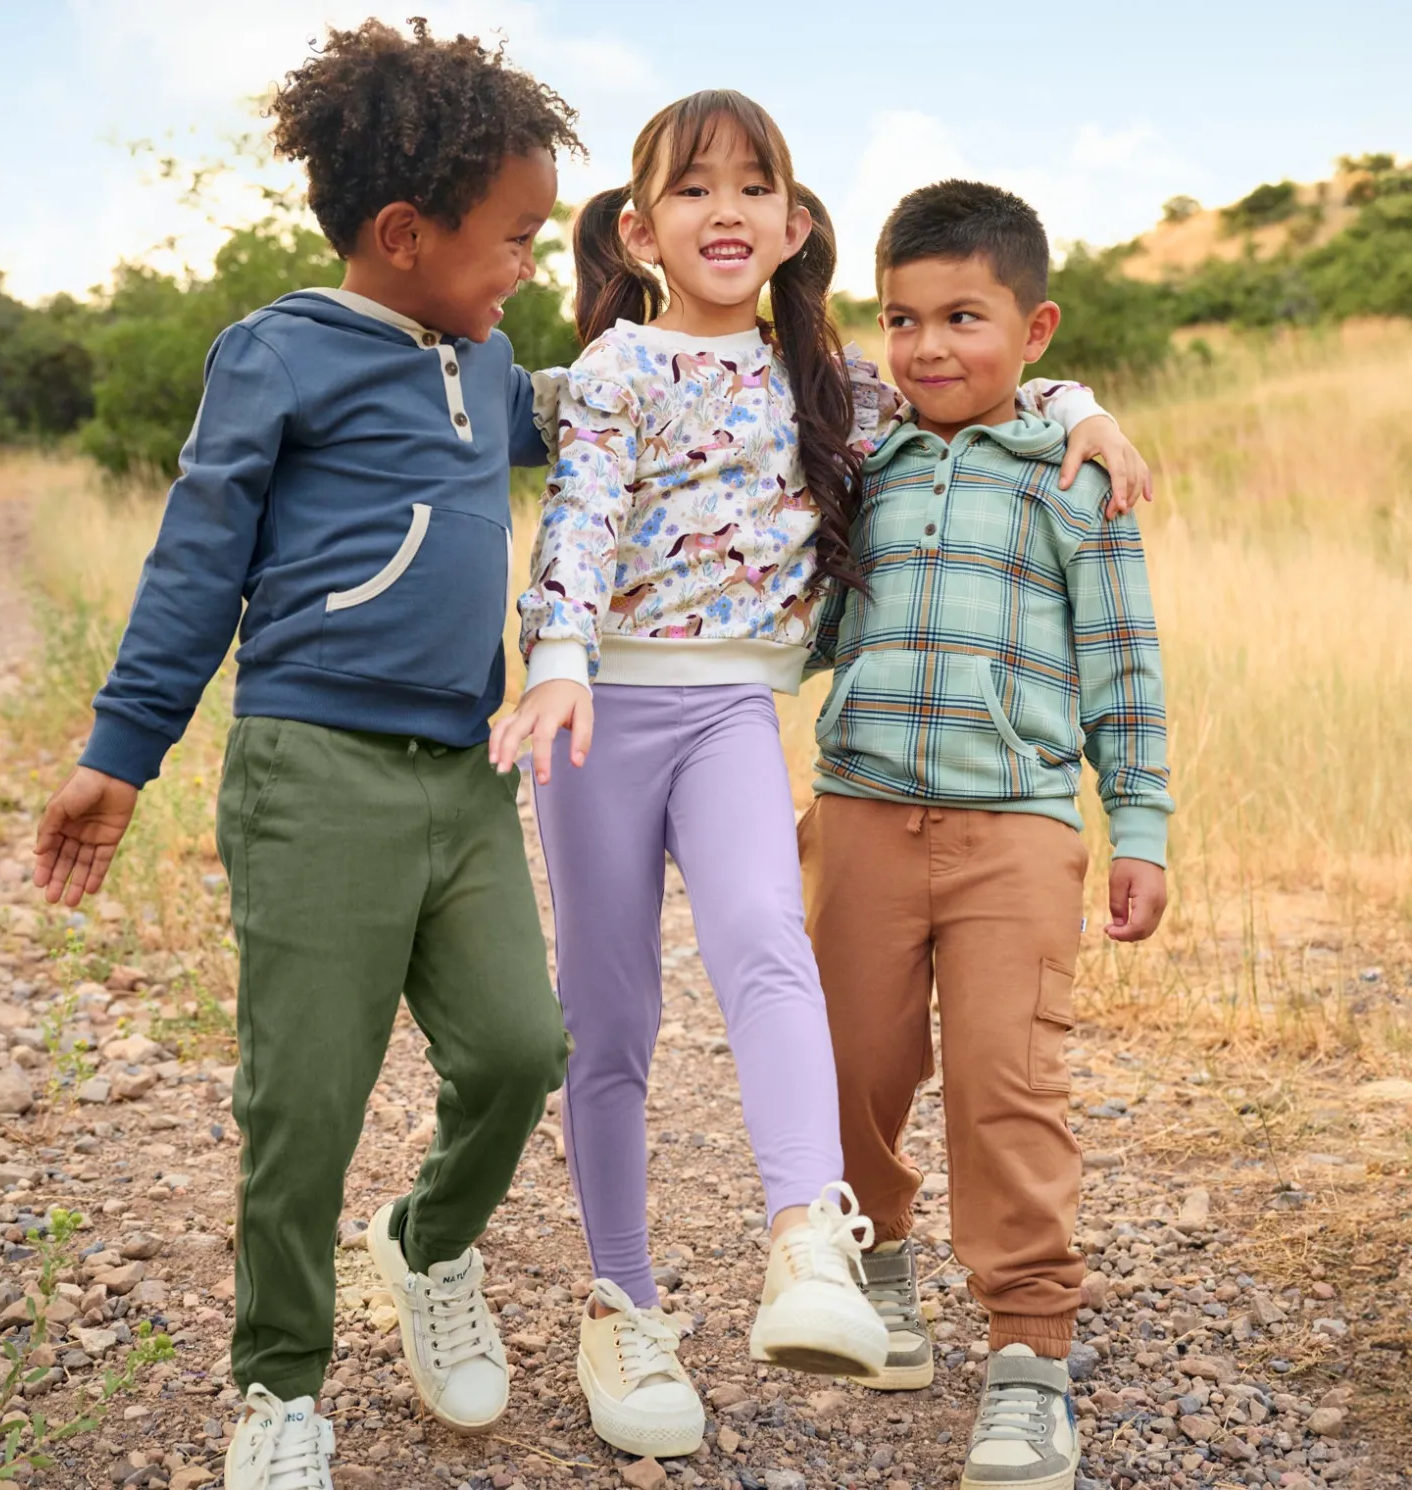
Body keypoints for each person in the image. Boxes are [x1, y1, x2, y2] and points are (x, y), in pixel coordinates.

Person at [489, 90, 1150, 1460]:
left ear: (795, 227)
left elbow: (978, 386)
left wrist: (1077, 400)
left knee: (763, 948)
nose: (722, 210)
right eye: (690, 189)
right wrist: (554, 650)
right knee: (606, 1020)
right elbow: (585, 501)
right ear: (638, 226)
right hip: (595, 709)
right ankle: (622, 1299)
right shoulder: (611, 368)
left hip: (734, 706)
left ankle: (812, 1242)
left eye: (752, 188)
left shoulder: (837, 387)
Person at [30, 20, 581, 1488]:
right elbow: (196, 559)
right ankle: (280, 1383)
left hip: (466, 778)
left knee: (524, 1049)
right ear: (404, 233)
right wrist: (121, 751)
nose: (526, 262)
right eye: (513, 236)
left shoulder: (488, 361)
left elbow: (591, 418)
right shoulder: (280, 354)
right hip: (314, 771)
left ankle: (426, 1245)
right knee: (305, 1099)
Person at [801, 179, 1173, 1490]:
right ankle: (878, 1259)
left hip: (1013, 830)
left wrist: (1139, 823)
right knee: (851, 1062)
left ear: (1035, 326)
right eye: (902, 320)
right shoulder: (864, 465)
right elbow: (810, 632)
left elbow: (1123, 665)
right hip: (855, 817)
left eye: (963, 316)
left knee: (1006, 1085)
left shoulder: (1076, 477)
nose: (929, 347)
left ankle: (1027, 1354)